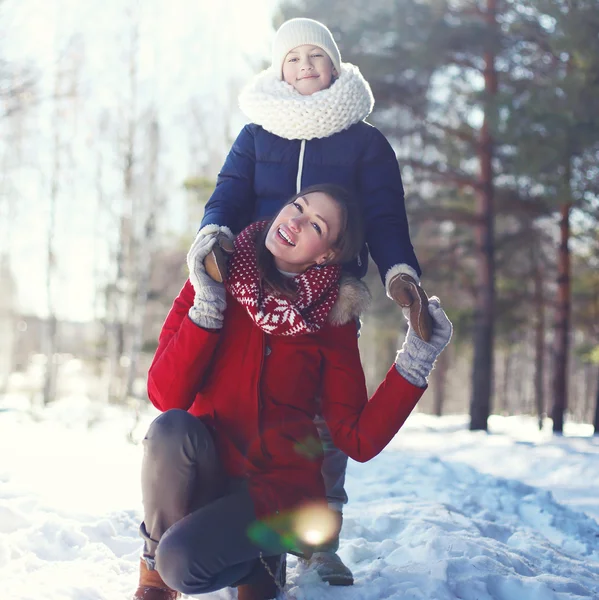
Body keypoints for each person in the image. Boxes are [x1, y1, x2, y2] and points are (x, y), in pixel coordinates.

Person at [133, 184, 453, 600]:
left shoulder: (333, 322)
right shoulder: (212, 277)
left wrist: (416, 359)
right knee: (170, 429)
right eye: (297, 207)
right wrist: (208, 307)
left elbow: (357, 438)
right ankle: (154, 579)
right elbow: (164, 394)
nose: (296, 221)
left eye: (315, 225)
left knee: (185, 562)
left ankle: (263, 560)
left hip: (276, 492)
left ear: (327, 255)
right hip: (209, 470)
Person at [199, 17, 431, 585]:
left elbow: (385, 219)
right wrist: (213, 239)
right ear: (279, 69)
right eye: (292, 58)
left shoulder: (365, 141)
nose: (305, 66)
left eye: (315, 57)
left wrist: (401, 275)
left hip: (330, 297)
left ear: (335, 64)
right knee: (255, 402)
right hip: (256, 291)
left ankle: (320, 535)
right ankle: (249, 519)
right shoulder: (257, 133)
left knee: (326, 421)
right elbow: (228, 194)